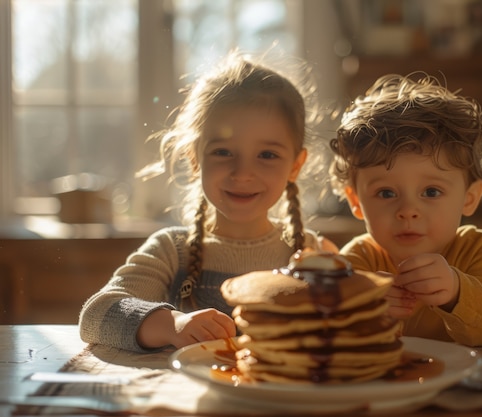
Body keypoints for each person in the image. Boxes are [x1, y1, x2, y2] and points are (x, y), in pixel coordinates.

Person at [79, 51, 337, 352]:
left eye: (267, 155)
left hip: (284, 398)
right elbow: (95, 317)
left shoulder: (315, 254)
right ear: (194, 157)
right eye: (223, 152)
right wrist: (172, 324)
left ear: (295, 165)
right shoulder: (172, 251)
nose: (243, 173)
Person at [330, 73, 482, 347]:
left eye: (431, 192)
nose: (408, 211)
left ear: (469, 198)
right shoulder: (356, 262)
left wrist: (456, 292)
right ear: (356, 201)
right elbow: (327, 336)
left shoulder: (478, 249)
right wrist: (364, 308)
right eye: (386, 193)